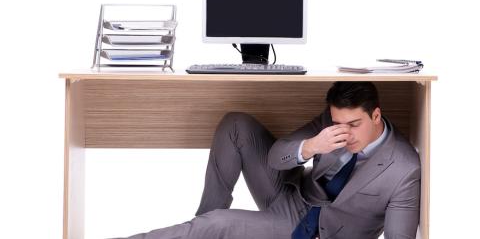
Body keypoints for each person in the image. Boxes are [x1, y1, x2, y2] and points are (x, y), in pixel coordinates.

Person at [115, 81, 420, 239]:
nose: (346, 133)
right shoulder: (332, 122)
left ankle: (205, 229)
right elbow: (276, 158)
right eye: (339, 124)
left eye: (354, 125)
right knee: (237, 125)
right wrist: (312, 146)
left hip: (308, 229)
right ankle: (201, 230)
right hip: (293, 196)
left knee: (217, 224)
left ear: (377, 115)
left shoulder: (404, 169)